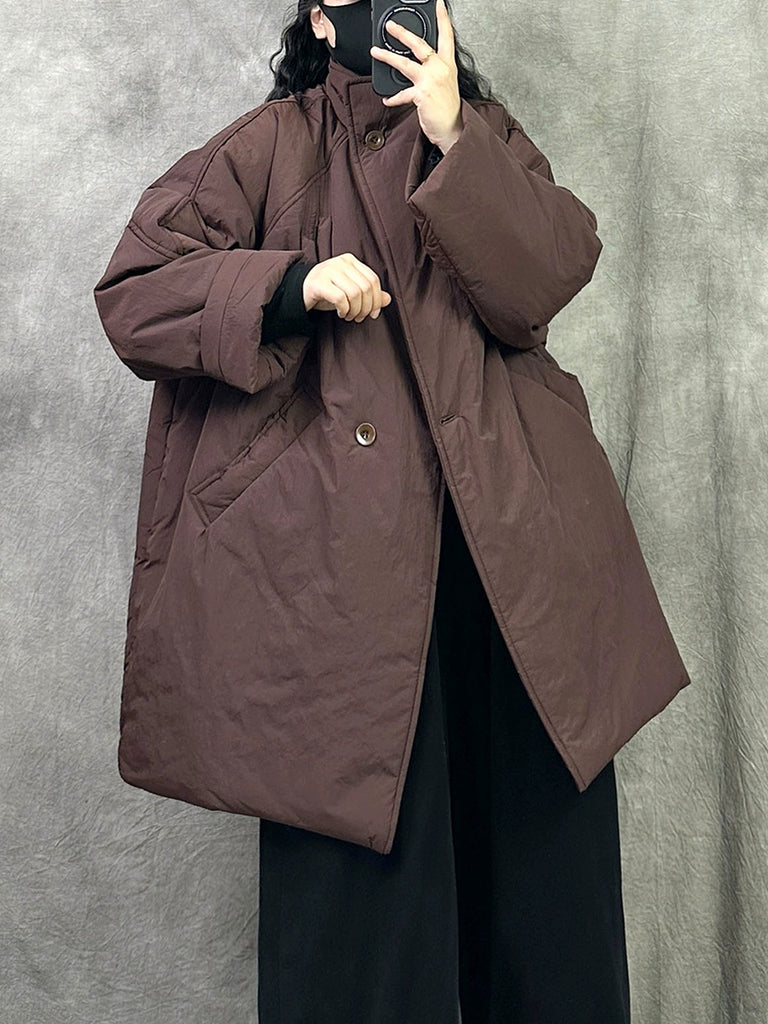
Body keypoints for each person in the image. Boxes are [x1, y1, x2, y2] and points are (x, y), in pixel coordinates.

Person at [93, 0, 691, 1020]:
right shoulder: (266, 147)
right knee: (364, 943)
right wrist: (289, 285)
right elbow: (135, 292)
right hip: (338, 593)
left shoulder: (481, 134)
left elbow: (550, 273)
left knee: (547, 916)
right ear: (323, 25)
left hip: (514, 576)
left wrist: (457, 136)